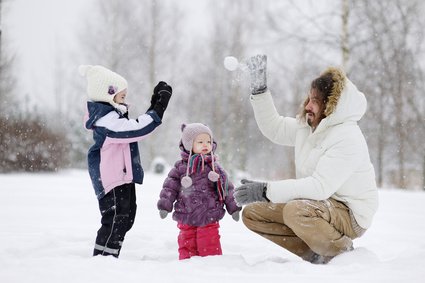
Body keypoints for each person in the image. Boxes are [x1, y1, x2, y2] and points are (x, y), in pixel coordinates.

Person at [233, 55, 378, 264]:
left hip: (349, 213)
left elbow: (319, 187)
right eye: (309, 98)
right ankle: (315, 255)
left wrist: (266, 191)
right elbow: (274, 128)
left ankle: (342, 253)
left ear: (331, 106)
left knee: (295, 211)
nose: (308, 105)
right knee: (254, 214)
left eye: (316, 101)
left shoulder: (347, 137)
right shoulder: (309, 127)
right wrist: (259, 90)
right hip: (318, 204)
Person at [79, 65, 172, 258]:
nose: (125, 100)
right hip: (112, 179)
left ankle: (110, 257)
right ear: (108, 95)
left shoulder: (113, 117)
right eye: (122, 96)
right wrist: (158, 109)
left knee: (127, 217)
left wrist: (154, 105)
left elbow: (133, 127)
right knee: (114, 219)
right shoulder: (104, 120)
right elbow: (135, 129)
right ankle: (102, 259)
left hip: (123, 177)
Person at [157, 123, 241, 260]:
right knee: (187, 243)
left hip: (209, 214)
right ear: (189, 144)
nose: (205, 144)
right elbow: (169, 187)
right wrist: (164, 206)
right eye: (200, 142)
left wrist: (234, 207)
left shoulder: (214, 167)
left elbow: (227, 188)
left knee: (209, 244)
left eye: (208, 141)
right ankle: (187, 269)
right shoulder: (180, 168)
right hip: (186, 213)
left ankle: (211, 267)